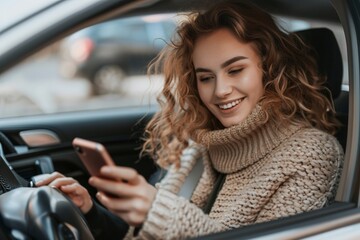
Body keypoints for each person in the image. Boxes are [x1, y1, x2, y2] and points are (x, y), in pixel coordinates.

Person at [36, 0, 344, 239]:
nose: (221, 91)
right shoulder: (200, 146)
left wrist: (158, 212)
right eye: (206, 77)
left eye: (236, 70)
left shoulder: (312, 153)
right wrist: (91, 213)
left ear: (269, 68)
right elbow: (154, 231)